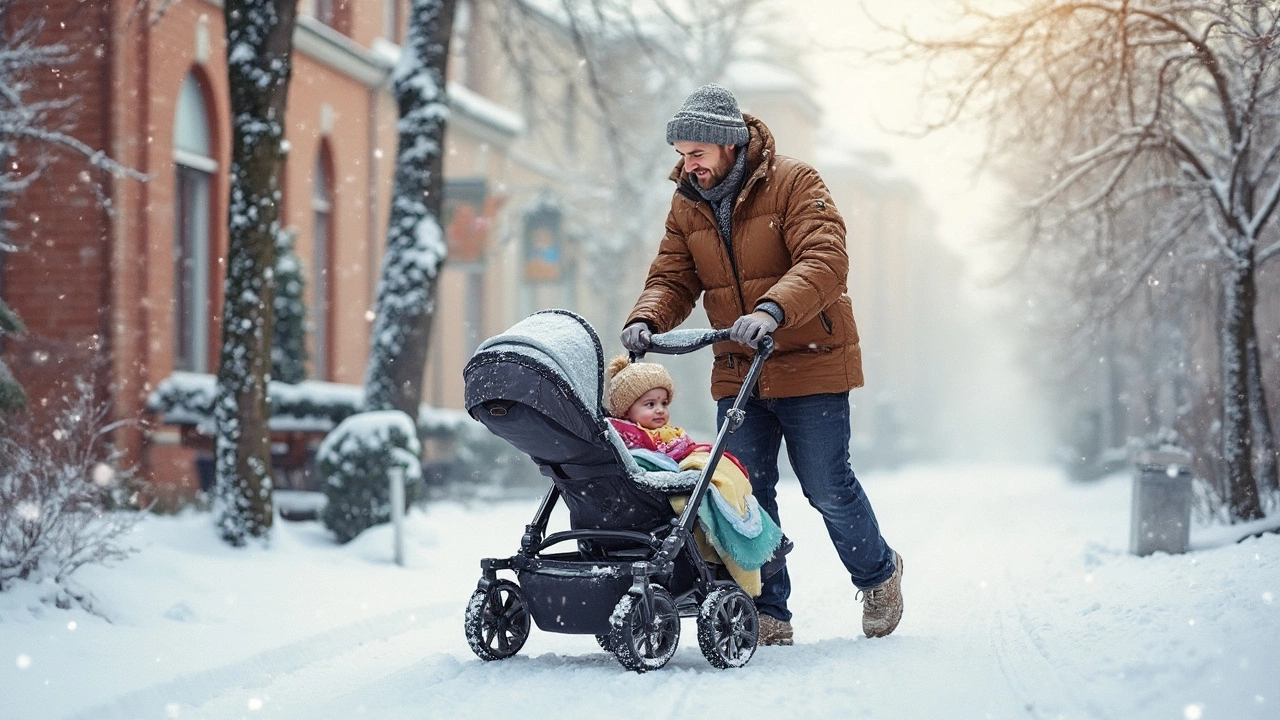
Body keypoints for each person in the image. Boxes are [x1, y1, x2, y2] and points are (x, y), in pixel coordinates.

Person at [620, 83, 903, 646]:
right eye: (681, 155)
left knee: (826, 485)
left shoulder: (796, 182)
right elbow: (674, 275)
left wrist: (774, 309)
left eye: (696, 153)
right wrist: (648, 318)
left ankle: (878, 576)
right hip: (738, 366)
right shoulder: (687, 203)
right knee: (745, 492)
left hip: (810, 359)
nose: (688, 165)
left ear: (728, 145)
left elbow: (826, 259)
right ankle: (769, 608)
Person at [605, 354, 782, 597]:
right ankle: (740, 555)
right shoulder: (629, 440)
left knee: (721, 476)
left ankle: (763, 549)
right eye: (650, 404)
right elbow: (654, 465)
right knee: (711, 486)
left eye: (664, 403)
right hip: (658, 497)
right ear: (626, 410)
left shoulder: (664, 435)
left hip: (657, 499)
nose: (660, 410)